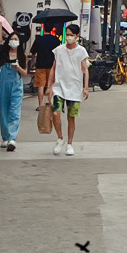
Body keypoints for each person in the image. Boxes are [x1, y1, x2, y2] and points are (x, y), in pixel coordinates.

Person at [50, 23, 91, 156]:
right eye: (67, 35)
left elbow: (85, 70)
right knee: (55, 113)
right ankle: (60, 138)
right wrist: (49, 86)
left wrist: (85, 88)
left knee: (71, 117)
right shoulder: (58, 50)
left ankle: (70, 143)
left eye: (71, 35)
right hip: (59, 87)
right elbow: (53, 68)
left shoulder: (81, 51)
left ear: (77, 36)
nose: (68, 37)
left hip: (74, 88)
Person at [0, 35, 25, 151]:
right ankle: (5, 137)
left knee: (15, 112)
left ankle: (12, 138)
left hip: (16, 86)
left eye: (16, 39)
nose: (13, 41)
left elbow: (25, 73)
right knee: (3, 111)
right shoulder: (3, 55)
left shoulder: (21, 56)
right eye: (12, 39)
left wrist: (18, 67)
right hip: (3, 86)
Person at [30, 19, 60, 132]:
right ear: (52, 29)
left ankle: (41, 105)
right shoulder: (56, 40)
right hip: (52, 65)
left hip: (40, 65)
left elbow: (33, 52)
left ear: (43, 28)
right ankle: (49, 103)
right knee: (50, 85)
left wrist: (33, 61)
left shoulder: (39, 39)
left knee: (40, 86)